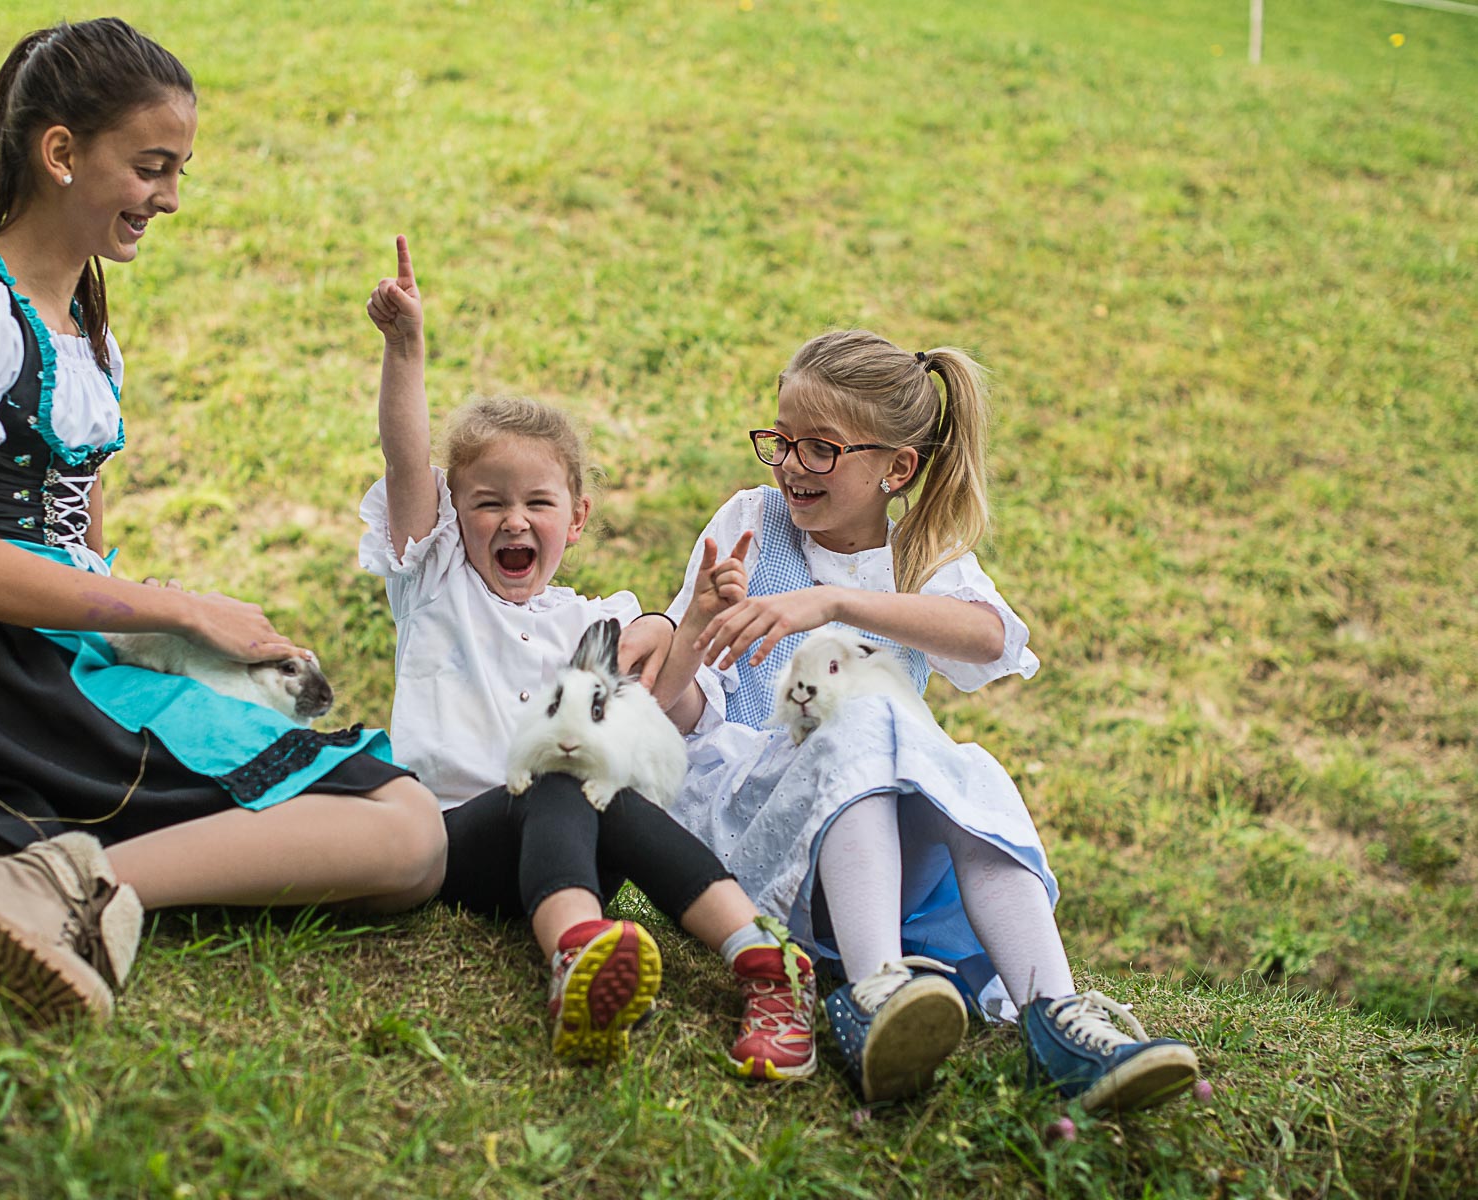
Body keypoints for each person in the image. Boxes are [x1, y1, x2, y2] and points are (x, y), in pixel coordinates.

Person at [0, 18, 445, 1025]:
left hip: (53, 659)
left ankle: (11, 848)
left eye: (179, 171)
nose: (168, 197)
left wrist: (171, 643)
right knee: (406, 831)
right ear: (61, 152)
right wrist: (184, 608)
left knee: (404, 843)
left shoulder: (84, 336)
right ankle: (48, 884)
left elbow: (78, 551)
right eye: (151, 167)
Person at [649, 330, 1199, 1112]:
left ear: (895, 468)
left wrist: (835, 604)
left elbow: (992, 636)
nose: (790, 465)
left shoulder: (917, 556)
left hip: (869, 871)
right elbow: (672, 704)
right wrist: (696, 620)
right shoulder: (750, 522)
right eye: (781, 440)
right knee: (866, 714)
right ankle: (873, 993)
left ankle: (1053, 1014)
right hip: (752, 829)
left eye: (821, 448)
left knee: (967, 766)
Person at [359, 237, 815, 1075]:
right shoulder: (437, 585)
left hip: (578, 851)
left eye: (538, 502)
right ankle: (576, 955)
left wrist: (691, 622)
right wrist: (405, 349)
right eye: (487, 503)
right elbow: (402, 459)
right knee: (557, 784)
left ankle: (766, 967)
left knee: (606, 794)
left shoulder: (596, 621)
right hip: (460, 836)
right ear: (452, 514)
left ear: (577, 519)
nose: (513, 521)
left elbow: (662, 706)